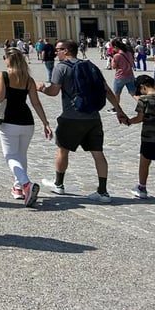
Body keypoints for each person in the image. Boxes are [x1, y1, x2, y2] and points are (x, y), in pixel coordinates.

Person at [36, 39, 127, 202]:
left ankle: (59, 184)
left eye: (58, 49)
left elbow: (53, 92)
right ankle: (103, 192)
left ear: (67, 50)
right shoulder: (91, 66)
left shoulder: (61, 68)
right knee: (98, 154)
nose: (56, 52)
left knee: (62, 150)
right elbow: (106, 90)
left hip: (71, 117)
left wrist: (41, 87)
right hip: (93, 118)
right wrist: (119, 110)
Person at [0, 49, 52, 206]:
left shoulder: (3, 75)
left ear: (8, 60)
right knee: (21, 155)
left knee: (10, 156)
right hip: (27, 121)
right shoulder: (28, 79)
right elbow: (36, 103)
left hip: (9, 120)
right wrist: (45, 123)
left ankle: (26, 184)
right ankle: (17, 188)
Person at [126, 74, 155, 202]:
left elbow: (140, 118)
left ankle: (142, 188)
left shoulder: (144, 100)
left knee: (144, 163)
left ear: (143, 87)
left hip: (149, 138)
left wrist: (129, 121)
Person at [109, 39, 137, 110]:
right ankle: (144, 104)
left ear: (115, 47)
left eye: (112, 47)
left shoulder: (117, 56)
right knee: (133, 93)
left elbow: (113, 67)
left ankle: (116, 108)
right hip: (130, 75)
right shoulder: (129, 53)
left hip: (120, 77)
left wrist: (113, 57)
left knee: (117, 94)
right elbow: (132, 62)